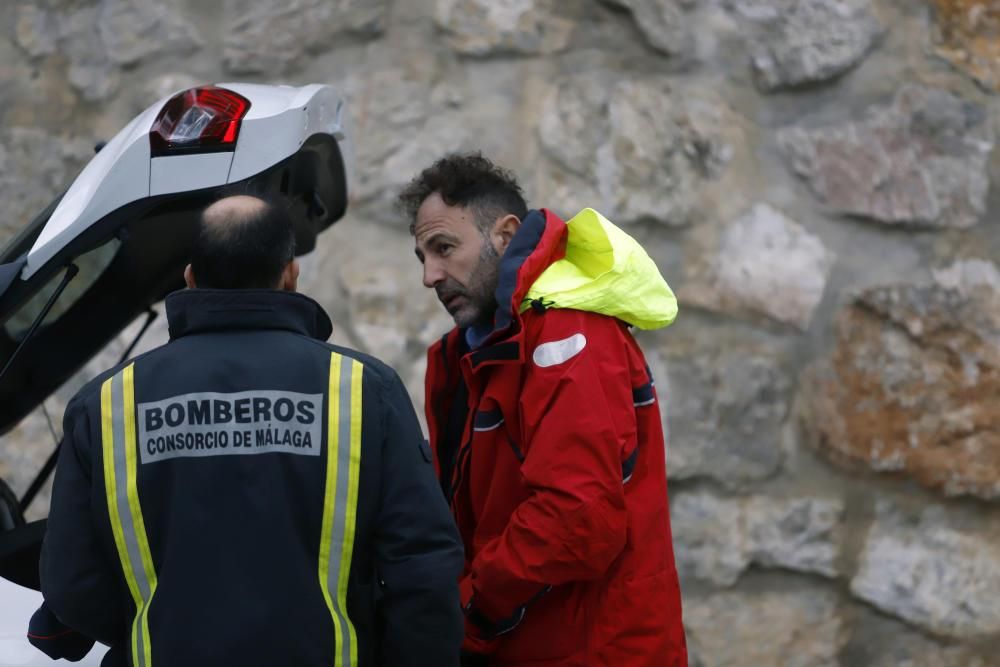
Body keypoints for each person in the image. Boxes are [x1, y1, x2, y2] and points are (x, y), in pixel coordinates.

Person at [32, 194, 464, 666]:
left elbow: (73, 585)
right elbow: (422, 568)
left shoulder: (107, 403)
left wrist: (167, 627)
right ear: (290, 275)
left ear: (191, 277)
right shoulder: (363, 389)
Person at [397, 154, 689, 667]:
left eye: (444, 249)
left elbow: (577, 517)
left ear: (506, 235)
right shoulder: (471, 354)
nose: (430, 275)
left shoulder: (568, 336)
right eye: (421, 257)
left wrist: (470, 608)